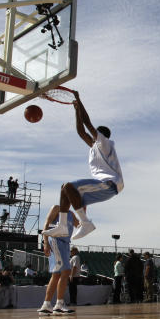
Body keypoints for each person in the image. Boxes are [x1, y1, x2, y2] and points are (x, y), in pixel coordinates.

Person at [43, 91, 123, 241]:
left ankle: (84, 223)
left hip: (110, 184)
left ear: (100, 135)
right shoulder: (95, 148)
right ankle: (62, 225)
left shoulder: (105, 143)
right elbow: (81, 131)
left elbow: (87, 123)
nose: (91, 135)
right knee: (64, 190)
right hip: (104, 186)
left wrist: (79, 102)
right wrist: (76, 111)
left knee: (68, 186)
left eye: (94, 134)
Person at [38, 204, 77, 315]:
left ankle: (47, 304)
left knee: (57, 274)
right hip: (56, 240)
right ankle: (58, 304)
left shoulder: (71, 214)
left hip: (65, 244)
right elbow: (46, 223)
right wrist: (45, 242)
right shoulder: (56, 208)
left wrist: (83, 212)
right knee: (65, 271)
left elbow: (79, 225)